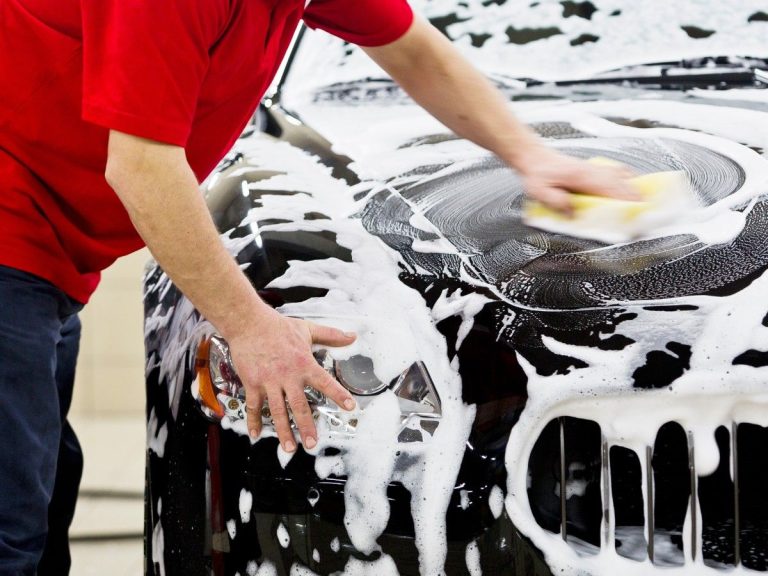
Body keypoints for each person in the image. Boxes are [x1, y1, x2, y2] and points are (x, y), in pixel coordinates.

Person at [0, 0, 637, 573]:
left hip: (47, 259)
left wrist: (534, 156)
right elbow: (141, 167)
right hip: (13, 235)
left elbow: (412, 47)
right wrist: (249, 325)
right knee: (11, 533)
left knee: (38, 506)